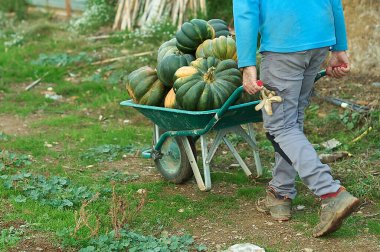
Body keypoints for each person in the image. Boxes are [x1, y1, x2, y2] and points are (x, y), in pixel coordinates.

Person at [233, 0, 360, 237]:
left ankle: (330, 192)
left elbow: (246, 9)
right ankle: (280, 193)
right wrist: (339, 47)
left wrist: (247, 63)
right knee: (292, 120)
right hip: (318, 41)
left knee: (280, 127)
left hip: (284, 44)